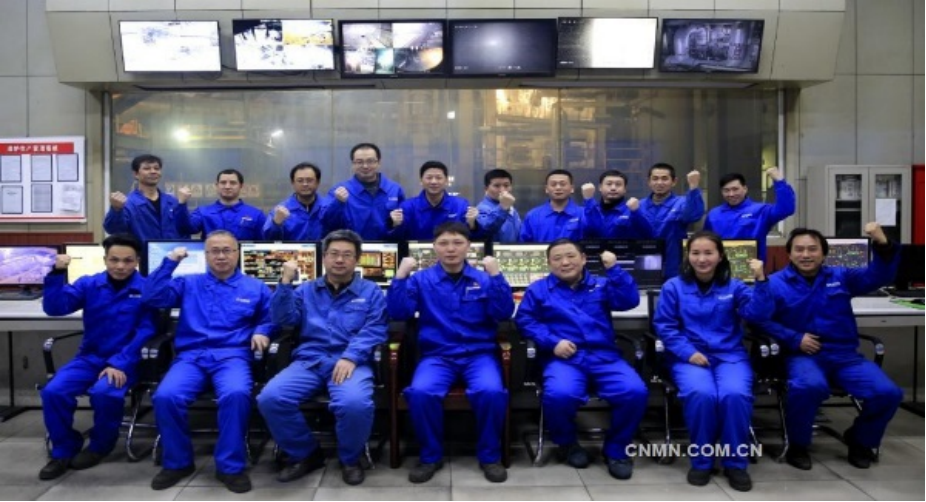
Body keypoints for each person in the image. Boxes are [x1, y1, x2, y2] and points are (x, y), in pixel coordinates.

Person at [757, 223, 903, 472]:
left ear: (824, 254)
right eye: (799, 249)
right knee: (809, 386)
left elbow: (879, 276)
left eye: (812, 249)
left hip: (845, 356)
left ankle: (860, 440)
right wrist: (794, 338)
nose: (806, 255)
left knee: (888, 393)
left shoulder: (841, 276)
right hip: (801, 356)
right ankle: (798, 445)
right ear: (789, 254)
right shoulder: (774, 283)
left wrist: (883, 245)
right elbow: (759, 319)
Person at [142, 230, 275, 494]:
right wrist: (170, 262)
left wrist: (262, 331)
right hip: (191, 357)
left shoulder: (255, 287)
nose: (221, 256)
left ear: (237, 253)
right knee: (166, 396)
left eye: (227, 250)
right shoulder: (188, 283)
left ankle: (230, 467)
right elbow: (152, 297)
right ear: (206, 255)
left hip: (232, 356)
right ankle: (177, 463)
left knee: (236, 394)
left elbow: (269, 318)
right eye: (214, 251)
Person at [387, 222, 515, 484]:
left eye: (458, 243)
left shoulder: (483, 279)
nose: (451, 249)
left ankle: (489, 457)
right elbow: (399, 312)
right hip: (438, 356)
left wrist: (497, 276)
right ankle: (430, 457)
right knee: (421, 393)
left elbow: (503, 313)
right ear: (434, 247)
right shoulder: (421, 280)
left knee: (491, 392)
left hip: (478, 355)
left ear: (469, 247)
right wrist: (400, 276)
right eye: (444, 243)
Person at [258, 230, 388, 486]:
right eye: (334, 254)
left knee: (354, 404)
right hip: (310, 360)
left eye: (347, 255)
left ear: (357, 259)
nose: (340, 260)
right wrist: (285, 283)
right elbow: (284, 320)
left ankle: (350, 459)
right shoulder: (305, 290)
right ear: (324, 257)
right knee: (270, 398)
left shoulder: (371, 292)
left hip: (351, 362)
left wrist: (351, 356)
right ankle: (305, 454)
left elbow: (375, 329)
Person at [515, 239, 647, 481]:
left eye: (571, 256)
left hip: (604, 356)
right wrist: (552, 342)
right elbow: (525, 321)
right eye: (557, 258)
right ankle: (567, 444)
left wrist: (614, 269)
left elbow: (629, 301)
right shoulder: (538, 290)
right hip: (565, 358)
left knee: (635, 391)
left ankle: (616, 450)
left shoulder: (602, 285)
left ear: (584, 259)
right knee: (559, 395)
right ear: (549, 263)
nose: (565, 262)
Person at [654, 231, 771, 492]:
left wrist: (761, 281)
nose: (702, 259)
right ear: (687, 256)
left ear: (720, 256)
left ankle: (735, 464)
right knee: (701, 394)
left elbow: (758, 315)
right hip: (689, 357)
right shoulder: (673, 286)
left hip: (730, 356)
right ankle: (702, 461)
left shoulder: (734, 286)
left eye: (708, 253)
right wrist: (687, 352)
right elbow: (665, 326)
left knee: (735, 395)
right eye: (695, 253)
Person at [38, 235, 159, 481]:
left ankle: (100, 446)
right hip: (89, 357)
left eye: (127, 261)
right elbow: (55, 308)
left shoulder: (147, 289)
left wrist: (119, 363)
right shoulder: (89, 284)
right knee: (53, 392)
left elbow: (146, 331)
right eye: (114, 260)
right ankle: (63, 449)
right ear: (105, 260)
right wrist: (56, 273)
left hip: (127, 361)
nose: (120, 266)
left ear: (137, 261)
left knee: (104, 393)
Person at [704, 168, 796, 261]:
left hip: (752, 267)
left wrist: (779, 181)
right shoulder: (714, 214)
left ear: (745, 189)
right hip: (720, 266)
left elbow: (786, 209)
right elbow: (705, 242)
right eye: (726, 190)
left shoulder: (761, 211)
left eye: (735, 189)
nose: (731, 194)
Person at [639, 163, 705, 279]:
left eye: (664, 178)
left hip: (674, 265)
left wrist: (693, 187)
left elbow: (693, 216)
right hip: (645, 263)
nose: (659, 183)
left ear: (674, 181)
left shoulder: (682, 203)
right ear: (649, 182)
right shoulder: (639, 205)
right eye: (655, 178)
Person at [328, 143, 406, 241]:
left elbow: (405, 225)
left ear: (379, 163)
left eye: (370, 161)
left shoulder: (394, 189)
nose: (365, 166)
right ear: (353, 164)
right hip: (352, 247)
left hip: (386, 247)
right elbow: (328, 223)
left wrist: (395, 224)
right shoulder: (339, 190)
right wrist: (337, 203)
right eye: (359, 162)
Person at [103, 154, 189, 242]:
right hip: (141, 251)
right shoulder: (127, 204)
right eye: (147, 168)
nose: (153, 171)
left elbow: (184, 229)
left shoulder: (172, 201)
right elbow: (113, 230)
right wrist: (116, 210)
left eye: (156, 168)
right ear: (136, 174)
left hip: (172, 250)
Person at [389, 161, 479, 241]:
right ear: (421, 181)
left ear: (446, 181)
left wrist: (472, 225)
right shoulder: (408, 207)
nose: (434, 182)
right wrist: (396, 225)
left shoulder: (461, 205)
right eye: (429, 178)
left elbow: (472, 239)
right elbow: (398, 239)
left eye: (438, 178)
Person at [175, 169, 266, 241]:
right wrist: (182, 203)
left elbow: (264, 244)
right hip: (212, 259)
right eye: (223, 182)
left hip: (243, 259)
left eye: (233, 183)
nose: (227, 186)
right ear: (217, 185)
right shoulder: (203, 212)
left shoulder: (256, 215)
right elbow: (185, 229)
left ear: (241, 186)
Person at [263, 162, 343, 241]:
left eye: (309, 180)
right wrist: (276, 224)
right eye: (300, 180)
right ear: (293, 183)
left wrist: (339, 204)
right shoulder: (280, 210)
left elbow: (341, 234)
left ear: (318, 182)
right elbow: (268, 241)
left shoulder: (329, 207)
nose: (305, 184)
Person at [581, 170, 654, 240]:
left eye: (618, 184)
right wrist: (589, 200)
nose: (613, 188)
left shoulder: (633, 211)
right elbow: (590, 230)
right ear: (600, 187)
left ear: (625, 189)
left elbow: (650, 235)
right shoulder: (590, 210)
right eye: (609, 184)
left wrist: (636, 212)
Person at [521, 170, 585, 243]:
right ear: (546, 189)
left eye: (563, 184)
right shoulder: (533, 215)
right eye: (553, 184)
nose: (558, 188)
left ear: (572, 188)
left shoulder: (583, 214)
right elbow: (524, 243)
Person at [477, 169, 522, 243]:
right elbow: (487, 229)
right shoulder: (481, 209)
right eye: (497, 186)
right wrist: (502, 208)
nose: (502, 190)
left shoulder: (510, 207)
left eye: (506, 185)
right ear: (486, 189)